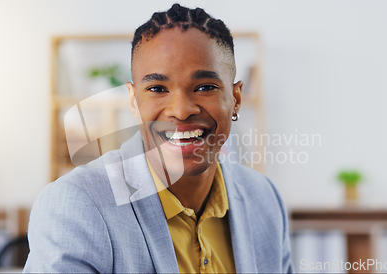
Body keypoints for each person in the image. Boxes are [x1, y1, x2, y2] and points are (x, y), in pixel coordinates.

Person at [24, 3, 293, 273]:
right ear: (133, 101)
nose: (181, 109)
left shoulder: (264, 199)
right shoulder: (77, 205)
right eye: (157, 88)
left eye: (205, 87)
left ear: (235, 99)